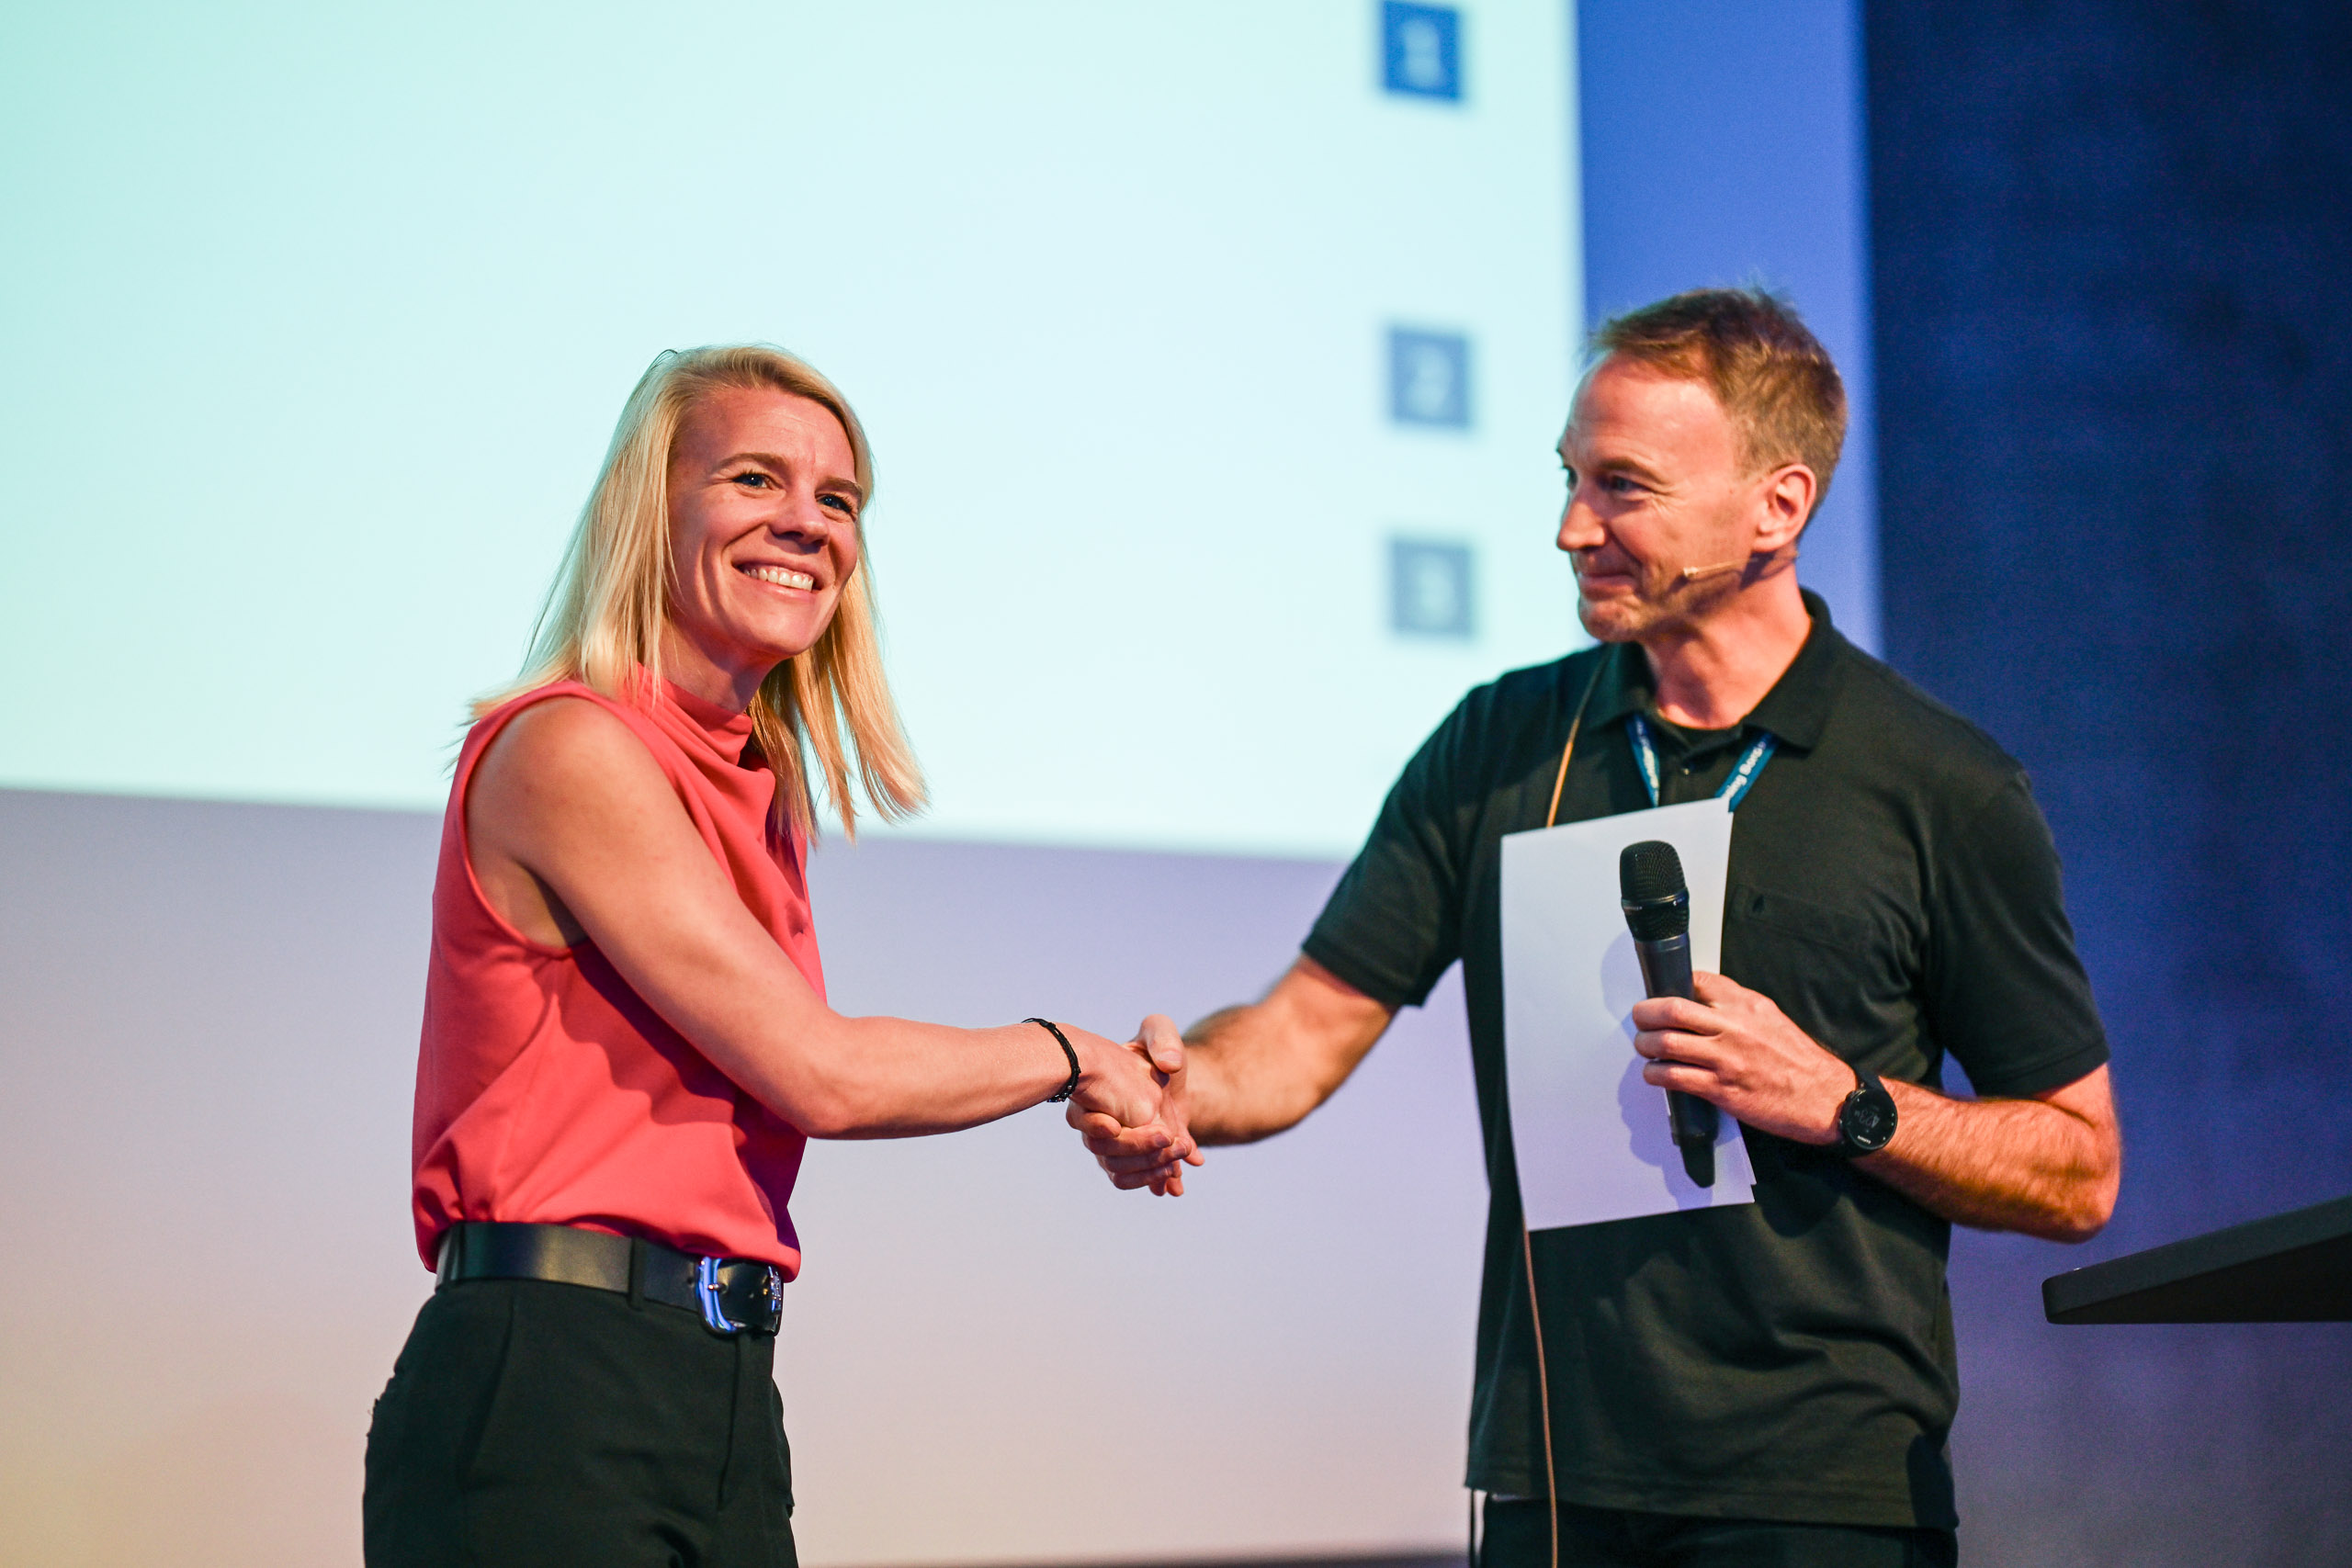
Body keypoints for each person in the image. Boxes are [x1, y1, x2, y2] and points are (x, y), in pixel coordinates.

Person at [1079, 288, 2120, 1566]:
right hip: (1555, 1480)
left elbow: (2080, 1168)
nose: (1573, 527)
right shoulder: (1501, 742)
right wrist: (1181, 1085)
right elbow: (1301, 1032)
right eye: (1571, 479)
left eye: (1624, 487)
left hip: (1820, 1492)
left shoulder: (1940, 787)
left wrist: (1845, 1103)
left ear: (1778, 508)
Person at [364, 344, 1195, 1567]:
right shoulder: (569, 748)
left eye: (838, 499)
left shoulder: (754, 783)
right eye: (755, 478)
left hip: (719, 1388)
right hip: (550, 1382)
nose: (806, 522)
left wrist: (1127, 1071)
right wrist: (1074, 1053)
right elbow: (823, 1075)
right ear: (650, 511)